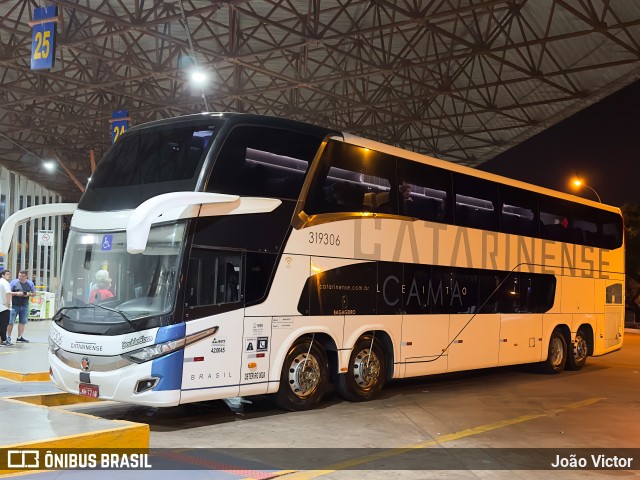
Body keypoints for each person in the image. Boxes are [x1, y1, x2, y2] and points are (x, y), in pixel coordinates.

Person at [8, 270, 35, 343]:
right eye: (19, 276)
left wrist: (29, 294)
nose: (20, 278)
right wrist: (17, 293)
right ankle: (8, 337)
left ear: (26, 276)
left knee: (22, 322)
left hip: (24, 305)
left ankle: (20, 337)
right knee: (10, 322)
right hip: (14, 305)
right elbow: (8, 292)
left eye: (23, 276)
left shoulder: (30, 283)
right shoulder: (13, 282)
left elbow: (34, 293)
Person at [0, 269, 12, 346]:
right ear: (3, 275)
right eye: (7, 274)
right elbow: (8, 293)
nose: (9, 275)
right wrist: (8, 303)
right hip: (4, 307)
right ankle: (4, 340)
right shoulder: (5, 283)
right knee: (4, 324)